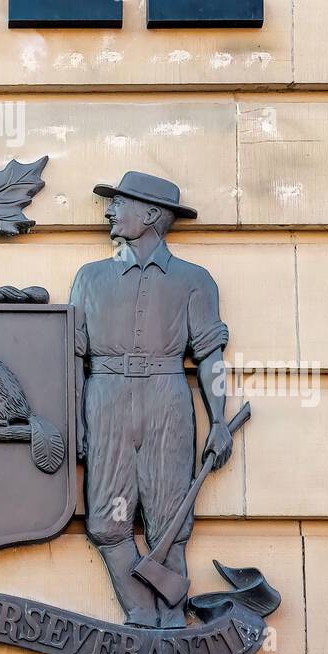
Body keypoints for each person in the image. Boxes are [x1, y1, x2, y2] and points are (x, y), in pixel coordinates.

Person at [69, 171, 232, 628]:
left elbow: (209, 355)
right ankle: (143, 613)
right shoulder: (90, 278)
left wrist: (218, 420)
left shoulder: (194, 280)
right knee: (106, 522)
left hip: (167, 400)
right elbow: (71, 361)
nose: (109, 210)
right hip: (106, 399)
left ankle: (173, 621)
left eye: (120, 203)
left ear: (152, 215)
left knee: (170, 521)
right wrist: (75, 422)